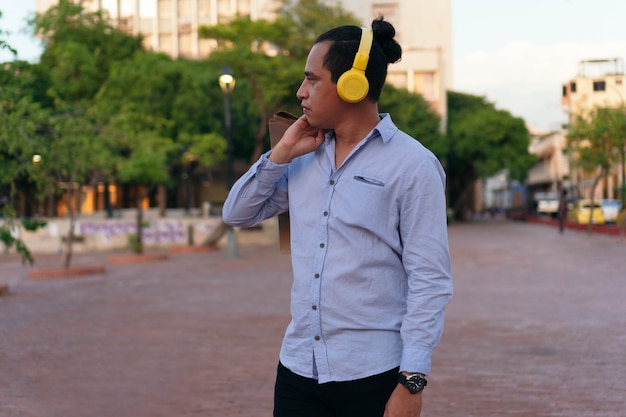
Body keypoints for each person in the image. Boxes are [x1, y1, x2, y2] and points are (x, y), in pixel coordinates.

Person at [223, 16, 453, 417]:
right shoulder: (300, 155)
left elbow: (430, 280)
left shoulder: (414, 166)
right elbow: (237, 214)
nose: (300, 92)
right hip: (298, 368)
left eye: (312, 79)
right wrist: (278, 156)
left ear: (353, 85)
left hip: (372, 375)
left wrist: (412, 382)